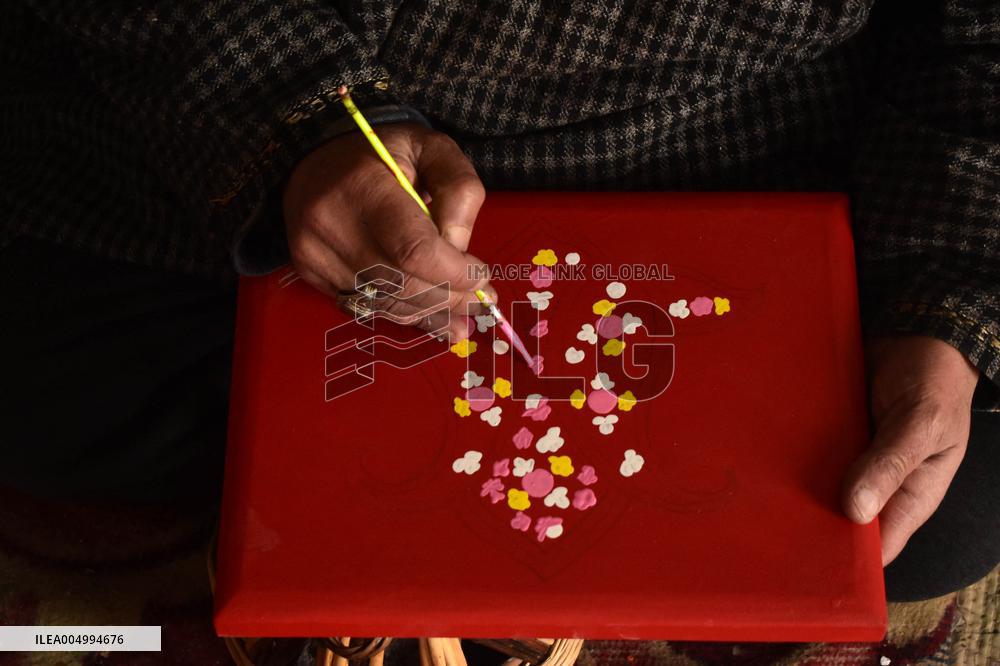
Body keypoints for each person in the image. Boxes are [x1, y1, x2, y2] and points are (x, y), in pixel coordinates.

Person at [1, 1, 997, 605]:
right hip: (260, 135)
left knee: (941, 501)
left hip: (734, 148)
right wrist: (290, 118)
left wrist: (938, 294)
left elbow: (973, 42)